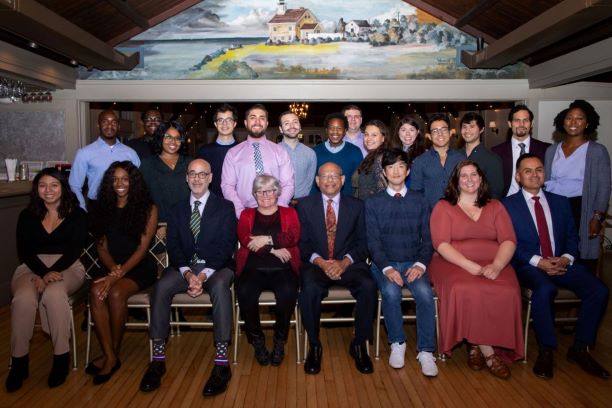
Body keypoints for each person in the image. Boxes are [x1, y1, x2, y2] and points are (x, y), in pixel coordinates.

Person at [503, 154, 609, 379]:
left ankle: (580, 347)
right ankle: (547, 350)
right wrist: (538, 261)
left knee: (599, 290)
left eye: (539, 170)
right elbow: (508, 243)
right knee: (545, 289)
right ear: (518, 176)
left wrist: (566, 258)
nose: (534, 174)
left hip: (561, 262)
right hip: (527, 265)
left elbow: (572, 236)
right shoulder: (507, 206)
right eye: (528, 171)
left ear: (545, 174)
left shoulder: (560, 202)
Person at [139, 159, 237, 396]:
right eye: (192, 174)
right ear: (186, 178)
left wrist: (202, 275)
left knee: (221, 286)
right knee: (161, 286)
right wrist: (188, 273)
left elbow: (226, 247)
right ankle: (158, 359)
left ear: (211, 178)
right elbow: (174, 247)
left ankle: (222, 363)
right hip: (184, 267)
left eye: (202, 174)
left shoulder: (225, 207)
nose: (197, 178)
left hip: (217, 267)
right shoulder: (176, 209)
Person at [429, 160, 524, 379]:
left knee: (507, 289)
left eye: (474, 175)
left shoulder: (495, 206)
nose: (469, 179)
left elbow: (509, 240)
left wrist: (497, 265)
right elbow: (441, 244)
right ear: (456, 180)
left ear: (481, 179)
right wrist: (470, 265)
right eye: (464, 175)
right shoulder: (444, 207)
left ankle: (475, 345)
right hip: (452, 263)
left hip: (494, 261)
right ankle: (489, 353)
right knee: (466, 288)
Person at [6, 168, 87, 392]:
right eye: (43, 185)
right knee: (23, 298)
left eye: (54, 185)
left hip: (68, 266)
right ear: (37, 189)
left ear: (63, 187)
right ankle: (19, 362)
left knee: (54, 294)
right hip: (32, 266)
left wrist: (51, 273)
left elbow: (74, 250)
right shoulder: (27, 215)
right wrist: (42, 272)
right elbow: (24, 251)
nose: (48, 190)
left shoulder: (77, 214)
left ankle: (61, 357)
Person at [298, 162, 377, 375]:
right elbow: (302, 244)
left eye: (335, 176)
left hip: (348, 263)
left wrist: (344, 263)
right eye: (325, 176)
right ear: (317, 181)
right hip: (317, 264)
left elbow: (364, 243)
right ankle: (314, 345)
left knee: (369, 285)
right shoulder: (304, 205)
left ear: (343, 180)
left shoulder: (358, 206)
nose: (330, 180)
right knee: (309, 289)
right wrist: (322, 263)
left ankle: (359, 343)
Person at [365, 149, 438, 376]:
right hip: (384, 263)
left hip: (413, 262)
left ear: (408, 171)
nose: (396, 171)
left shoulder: (421, 200)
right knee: (391, 293)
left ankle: (426, 350)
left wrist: (420, 264)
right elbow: (373, 241)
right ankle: (398, 343)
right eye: (390, 167)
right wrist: (387, 268)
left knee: (425, 294)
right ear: (384, 173)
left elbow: (428, 239)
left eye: (400, 166)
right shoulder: (373, 202)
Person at [87, 161, 158, 385]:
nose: (120, 184)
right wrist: (112, 270)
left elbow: (142, 248)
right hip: (111, 265)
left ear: (133, 182)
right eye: (115, 179)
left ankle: (111, 354)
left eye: (125, 179)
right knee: (97, 291)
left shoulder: (148, 208)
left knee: (116, 293)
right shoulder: (101, 208)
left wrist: (117, 274)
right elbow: (101, 247)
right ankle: (111, 355)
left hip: (138, 267)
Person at [235, 175, 300, 367]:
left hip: (283, 267)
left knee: (288, 292)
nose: (266, 195)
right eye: (260, 191)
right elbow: (246, 239)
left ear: (277, 192)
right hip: (253, 267)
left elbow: (293, 237)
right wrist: (273, 248)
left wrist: (267, 239)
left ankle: (280, 340)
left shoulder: (289, 213)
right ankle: (257, 340)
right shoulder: (247, 214)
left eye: (270, 190)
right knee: (245, 292)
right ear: (254, 194)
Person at [544, 100, 611, 268]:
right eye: (569, 118)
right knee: (556, 249)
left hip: (581, 206)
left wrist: (596, 217)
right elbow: (546, 180)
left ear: (587, 123)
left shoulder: (597, 151)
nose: (573, 122)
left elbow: (604, 187)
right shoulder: (552, 150)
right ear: (562, 121)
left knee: (581, 254)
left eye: (579, 118)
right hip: (555, 205)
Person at [221, 104, 294, 218]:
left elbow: (288, 184)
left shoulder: (280, 152)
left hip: (276, 214)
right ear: (246, 123)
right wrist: (241, 213)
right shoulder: (233, 153)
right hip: (244, 213)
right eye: (253, 117)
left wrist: (278, 210)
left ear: (267, 123)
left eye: (262, 118)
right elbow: (227, 186)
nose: (257, 122)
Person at [69, 110, 140, 210]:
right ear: (98, 125)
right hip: (97, 206)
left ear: (118, 126)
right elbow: (74, 186)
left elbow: (138, 183)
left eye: (113, 122)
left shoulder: (130, 153)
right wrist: (82, 208)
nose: (109, 125)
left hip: (125, 206)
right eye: (105, 122)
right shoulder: (84, 153)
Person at [140, 120, 192, 240]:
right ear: (160, 138)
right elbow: (141, 199)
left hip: (187, 227)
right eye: (168, 137)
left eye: (177, 138)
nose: (173, 142)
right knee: (163, 259)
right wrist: (155, 226)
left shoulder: (190, 163)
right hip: (158, 230)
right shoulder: (147, 165)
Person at [491, 105, 550, 197]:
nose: (521, 124)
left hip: (536, 200)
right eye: (517, 120)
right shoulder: (496, 152)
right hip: (506, 202)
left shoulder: (545, 149)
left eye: (525, 120)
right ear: (510, 124)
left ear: (531, 123)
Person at [410, 113, 465, 209]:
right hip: (430, 216)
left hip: (459, 214)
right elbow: (416, 194)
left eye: (443, 129)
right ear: (429, 136)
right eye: (435, 131)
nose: (440, 134)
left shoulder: (461, 159)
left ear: (450, 132)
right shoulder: (419, 162)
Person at [312, 113, 363, 195]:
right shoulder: (315, 152)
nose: (335, 132)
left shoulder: (355, 151)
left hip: (347, 202)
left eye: (339, 128)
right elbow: (312, 181)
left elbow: (360, 181)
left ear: (345, 131)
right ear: (326, 130)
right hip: (320, 202)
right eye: (331, 128)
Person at [197, 104, 239, 197]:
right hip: (212, 202)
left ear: (234, 123)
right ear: (215, 124)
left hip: (238, 203)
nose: (224, 123)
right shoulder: (204, 151)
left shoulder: (243, 150)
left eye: (229, 120)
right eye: (220, 120)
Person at [459, 112, 504, 198]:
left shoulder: (492, 158)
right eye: (464, 127)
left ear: (482, 129)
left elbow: (495, 192)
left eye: (472, 126)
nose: (467, 131)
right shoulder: (455, 156)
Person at [277, 111, 316, 203]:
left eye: (295, 122)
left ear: (300, 126)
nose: (292, 126)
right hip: (279, 203)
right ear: (281, 129)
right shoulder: (273, 152)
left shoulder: (310, 153)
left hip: (303, 203)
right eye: (286, 123)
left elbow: (310, 181)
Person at [351, 120, 389, 200]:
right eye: (366, 134)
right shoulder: (371, 156)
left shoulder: (381, 158)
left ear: (383, 138)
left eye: (374, 135)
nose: (369, 138)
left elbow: (384, 192)